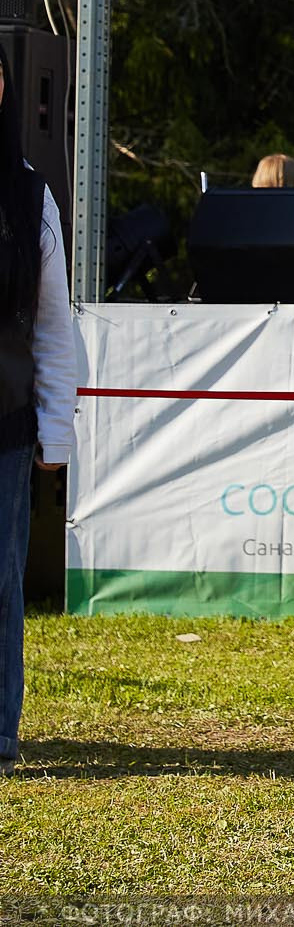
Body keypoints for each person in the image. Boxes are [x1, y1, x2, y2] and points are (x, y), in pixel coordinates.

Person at [0, 43, 78, 777]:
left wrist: (56, 429)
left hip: (6, 426)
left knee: (1, 582)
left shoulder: (30, 195)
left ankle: (0, 731)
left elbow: (53, 324)